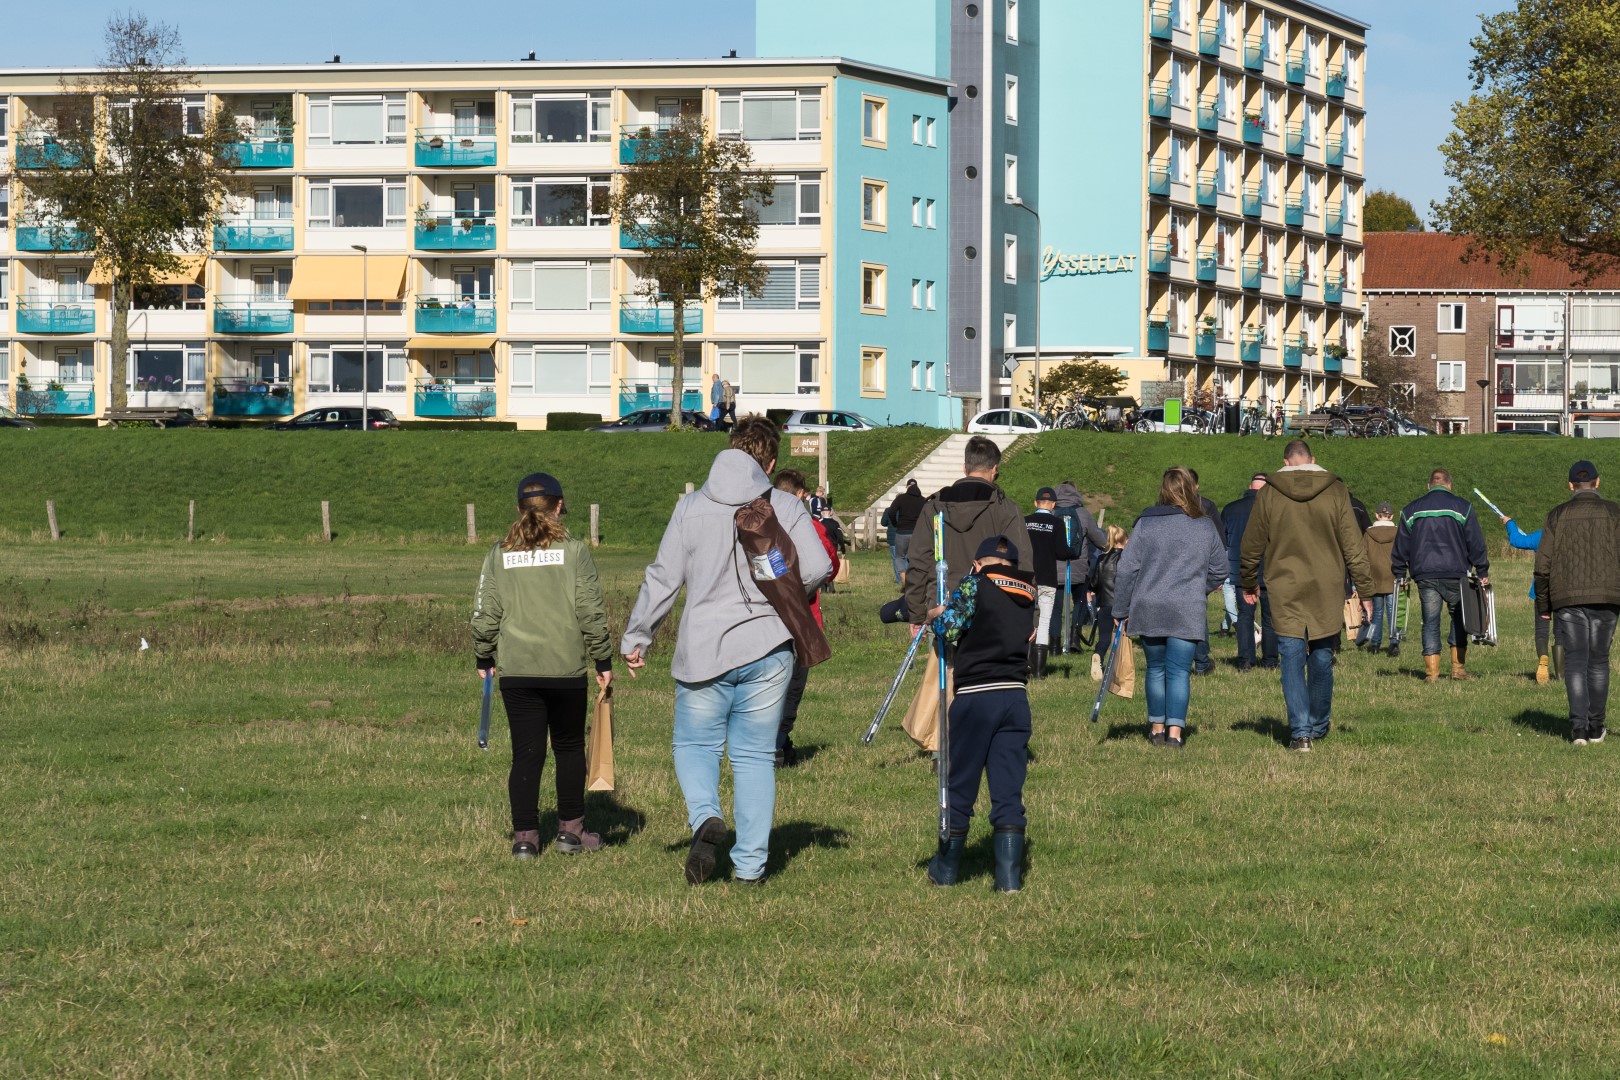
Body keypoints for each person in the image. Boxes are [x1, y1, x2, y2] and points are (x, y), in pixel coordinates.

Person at [621, 416, 832, 885]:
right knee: (754, 758)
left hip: (703, 649)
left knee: (695, 744)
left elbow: (664, 577)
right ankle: (751, 869)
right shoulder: (784, 504)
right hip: (769, 647)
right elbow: (818, 566)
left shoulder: (691, 507)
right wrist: (783, 597)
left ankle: (706, 817)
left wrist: (638, 636)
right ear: (770, 463)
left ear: (731, 448)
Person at [471, 472, 614, 859]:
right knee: (568, 748)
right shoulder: (575, 551)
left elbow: (485, 612)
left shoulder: (498, 554)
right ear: (560, 506)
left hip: (517, 670)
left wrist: (484, 654)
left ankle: (525, 839)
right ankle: (571, 832)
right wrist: (602, 658)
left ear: (518, 508)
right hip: (565, 669)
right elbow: (590, 611)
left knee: (526, 753)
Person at [1240, 440, 1374, 752]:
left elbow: (1252, 544)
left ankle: (1301, 733)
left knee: (1291, 655)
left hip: (1284, 585)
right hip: (1326, 585)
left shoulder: (1269, 493)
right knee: (1322, 654)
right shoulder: (1336, 490)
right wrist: (1365, 591)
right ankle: (1318, 724)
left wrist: (1248, 581)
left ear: (1285, 462)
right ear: (1313, 459)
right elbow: (1354, 546)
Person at [922, 535, 1038, 893]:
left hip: (976, 695)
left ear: (977, 564)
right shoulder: (1028, 592)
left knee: (961, 784)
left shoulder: (975, 584)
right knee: (1008, 788)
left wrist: (935, 616)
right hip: (1015, 697)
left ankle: (946, 868)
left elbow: (950, 627)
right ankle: (1009, 879)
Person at [1112, 467, 1228, 749]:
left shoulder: (1146, 523)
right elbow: (1220, 569)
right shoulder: (1204, 526)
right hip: (1187, 607)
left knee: (1155, 669)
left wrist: (1120, 609)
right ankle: (1175, 733)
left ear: (1163, 490)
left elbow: (1126, 569)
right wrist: (1197, 588)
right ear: (1192, 489)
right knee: (1179, 671)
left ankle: (1156, 729)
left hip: (1149, 604)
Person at [904, 436, 1029, 639]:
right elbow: (1022, 562)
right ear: (994, 469)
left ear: (965, 467)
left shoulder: (934, 506)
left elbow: (918, 561)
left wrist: (917, 613)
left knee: (945, 658)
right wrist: (1029, 614)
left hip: (942, 606)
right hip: (991, 607)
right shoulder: (1006, 509)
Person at [1534, 460, 1620, 745]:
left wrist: (1544, 605)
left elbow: (1542, 566)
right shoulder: (1614, 512)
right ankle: (1596, 727)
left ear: (1570, 485)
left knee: (1575, 661)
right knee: (1599, 661)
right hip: (1607, 597)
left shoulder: (1556, 515)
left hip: (1568, 599)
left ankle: (1578, 730)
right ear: (1598, 482)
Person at [1391, 468, 1490, 683]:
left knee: (1430, 621)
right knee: (1459, 618)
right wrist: (1482, 570)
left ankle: (1432, 673)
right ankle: (1458, 668)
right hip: (1456, 573)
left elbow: (1401, 545)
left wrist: (1399, 572)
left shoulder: (1411, 510)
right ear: (1449, 485)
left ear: (1429, 486)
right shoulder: (1463, 507)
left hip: (1424, 574)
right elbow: (1475, 542)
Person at [771, 467, 840, 767]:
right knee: (792, 685)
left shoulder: (758, 522)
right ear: (800, 495)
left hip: (764, 616)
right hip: (802, 617)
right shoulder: (809, 526)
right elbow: (829, 565)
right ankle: (777, 742)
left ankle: (775, 742)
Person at [1222, 473, 1278, 672]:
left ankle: (1246, 660)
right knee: (1270, 617)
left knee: (1245, 616)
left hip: (1241, 571)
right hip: (1270, 570)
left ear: (1249, 487)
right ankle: (1270, 659)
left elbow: (1223, 541)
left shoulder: (1230, 509)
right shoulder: (1274, 508)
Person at [1023, 486, 1079, 680]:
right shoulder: (1057, 523)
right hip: (1047, 578)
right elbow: (1062, 552)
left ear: (1035, 503)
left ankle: (1024, 663)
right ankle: (1039, 671)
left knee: (1026, 620)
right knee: (1044, 621)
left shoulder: (1025, 521)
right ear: (1053, 505)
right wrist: (1073, 551)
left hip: (1026, 578)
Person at [1495, 508, 1551, 683]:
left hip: (1541, 592)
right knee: (1562, 632)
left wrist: (1510, 524)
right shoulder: (1570, 538)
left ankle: (1543, 658)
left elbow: (1516, 540)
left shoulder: (1541, 536)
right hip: (1564, 592)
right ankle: (1563, 672)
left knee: (1542, 630)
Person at [1052, 480, 1107, 650]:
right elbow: (1101, 541)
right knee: (1080, 601)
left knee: (1056, 606)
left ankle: (1054, 644)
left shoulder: (1051, 512)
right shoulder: (1082, 513)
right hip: (1078, 566)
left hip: (1054, 568)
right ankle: (1074, 639)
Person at [1186, 469, 1228, 676]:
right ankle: (1201, 660)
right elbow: (1220, 540)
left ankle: (1191, 659)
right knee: (1197, 613)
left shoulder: (1164, 506)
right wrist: (1216, 573)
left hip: (1173, 568)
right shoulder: (1206, 506)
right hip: (1200, 568)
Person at [1357, 502, 1399, 654]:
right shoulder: (1398, 532)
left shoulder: (1368, 533)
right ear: (1391, 516)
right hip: (1393, 576)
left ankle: (1375, 644)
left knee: (1376, 612)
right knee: (1393, 611)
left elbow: (1363, 556)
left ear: (1376, 515)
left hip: (1374, 577)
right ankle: (1394, 643)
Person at [1090, 524, 1128, 681]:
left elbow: (1094, 583)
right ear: (1124, 540)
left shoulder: (1101, 559)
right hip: (1122, 603)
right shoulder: (1126, 559)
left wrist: (1093, 591)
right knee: (1122, 638)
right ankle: (1119, 666)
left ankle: (1098, 655)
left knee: (1104, 637)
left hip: (1104, 603)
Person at [883, 479, 926, 585]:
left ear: (907, 487)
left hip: (902, 531)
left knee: (899, 557)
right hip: (916, 533)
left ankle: (903, 576)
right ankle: (915, 580)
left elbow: (891, 512)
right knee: (915, 557)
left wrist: (895, 523)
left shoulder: (901, 498)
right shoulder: (923, 500)